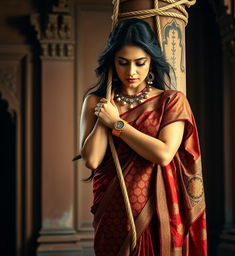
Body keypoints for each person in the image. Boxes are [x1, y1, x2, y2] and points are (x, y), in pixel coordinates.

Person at [79, 18, 207, 256]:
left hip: (158, 212)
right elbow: (92, 160)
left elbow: (163, 153)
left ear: (152, 61)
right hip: (112, 209)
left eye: (140, 63)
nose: (131, 72)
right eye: (122, 63)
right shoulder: (96, 102)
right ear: (111, 62)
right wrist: (104, 117)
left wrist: (117, 124)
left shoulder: (170, 101)